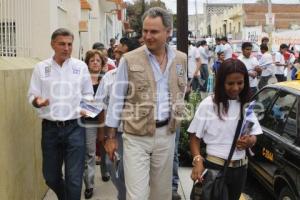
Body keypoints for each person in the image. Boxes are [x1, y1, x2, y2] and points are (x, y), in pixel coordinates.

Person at [105, 7, 187, 200]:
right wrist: (110, 136)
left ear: (168, 31)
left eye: (154, 31)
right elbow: (116, 99)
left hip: (166, 135)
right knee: (137, 196)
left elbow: (181, 91)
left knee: (162, 194)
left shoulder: (181, 59)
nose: (148, 36)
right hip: (136, 137)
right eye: (145, 31)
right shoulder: (129, 59)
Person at [27, 28, 94, 200]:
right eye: (62, 44)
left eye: (70, 44)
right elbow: (32, 96)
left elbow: (88, 94)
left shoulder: (80, 67)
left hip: (75, 129)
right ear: (52, 45)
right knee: (51, 177)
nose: (66, 48)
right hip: (50, 129)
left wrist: (83, 107)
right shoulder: (41, 68)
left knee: (74, 179)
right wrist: (37, 101)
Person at [189, 59, 262, 200]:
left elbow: (254, 134)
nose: (235, 88)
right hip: (215, 168)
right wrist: (197, 160)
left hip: (241, 170)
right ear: (221, 82)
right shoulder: (208, 105)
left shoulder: (246, 105)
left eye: (240, 83)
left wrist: (250, 141)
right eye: (230, 83)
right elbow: (194, 137)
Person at [95, 37, 140, 200]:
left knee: (128, 171)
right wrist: (103, 133)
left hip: (135, 133)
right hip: (114, 133)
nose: (118, 56)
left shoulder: (141, 76)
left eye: (122, 52)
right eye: (117, 52)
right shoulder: (109, 77)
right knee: (110, 165)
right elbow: (99, 104)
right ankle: (123, 194)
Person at [82, 49, 108, 199]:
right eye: (92, 60)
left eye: (98, 60)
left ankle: (105, 171)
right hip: (88, 122)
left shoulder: (106, 79)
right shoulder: (83, 81)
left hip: (105, 120)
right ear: (87, 64)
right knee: (90, 153)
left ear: (102, 63)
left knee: (105, 149)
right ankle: (89, 185)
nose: (95, 63)